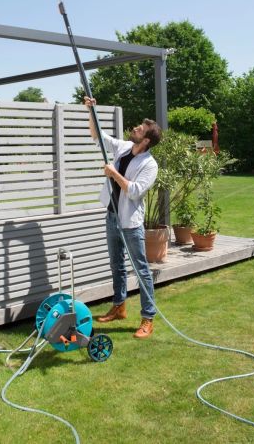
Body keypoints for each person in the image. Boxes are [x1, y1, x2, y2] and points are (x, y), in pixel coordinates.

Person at [84, 96, 162, 339]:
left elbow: (136, 190)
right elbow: (99, 135)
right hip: (111, 216)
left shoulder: (150, 164)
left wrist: (114, 172)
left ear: (146, 140)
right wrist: (91, 110)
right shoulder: (125, 147)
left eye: (140, 128)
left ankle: (148, 318)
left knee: (141, 270)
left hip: (130, 224)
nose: (135, 128)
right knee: (116, 265)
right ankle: (119, 306)